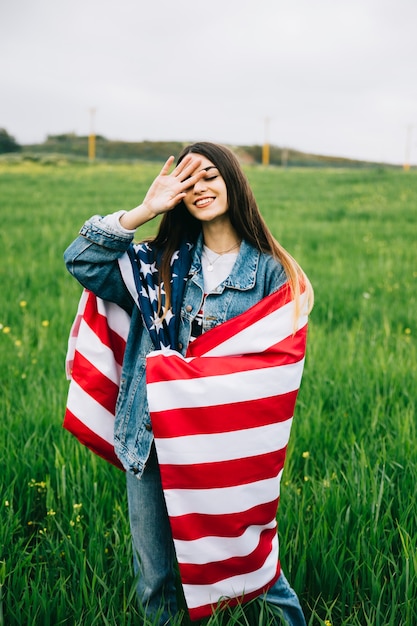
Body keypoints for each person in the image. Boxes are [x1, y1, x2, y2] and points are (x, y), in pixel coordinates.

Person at [64, 142, 313, 625]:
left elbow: (276, 366)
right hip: (151, 437)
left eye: (211, 176)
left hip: (223, 444)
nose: (200, 189)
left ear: (233, 183)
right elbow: (82, 262)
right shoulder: (156, 264)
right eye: (189, 181)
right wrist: (143, 211)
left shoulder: (270, 272)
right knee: (156, 581)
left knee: (254, 568)